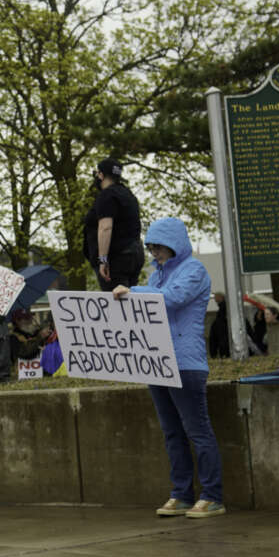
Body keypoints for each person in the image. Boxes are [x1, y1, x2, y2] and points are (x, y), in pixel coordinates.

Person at [113, 217, 225, 519]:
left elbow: (173, 299)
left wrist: (132, 293)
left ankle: (213, 495)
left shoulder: (194, 270)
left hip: (185, 362)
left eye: (160, 247)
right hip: (157, 362)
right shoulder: (154, 277)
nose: (155, 253)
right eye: (151, 247)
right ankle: (182, 494)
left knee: (197, 430)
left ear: (175, 244)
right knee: (172, 432)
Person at [84, 157, 143, 291]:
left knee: (116, 302)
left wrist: (103, 260)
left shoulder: (107, 195)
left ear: (101, 175)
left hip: (116, 258)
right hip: (134, 253)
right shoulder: (128, 195)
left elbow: (105, 227)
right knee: (129, 298)